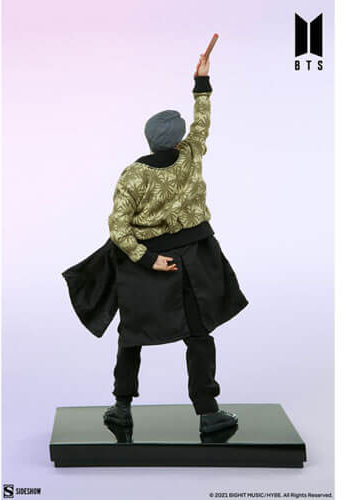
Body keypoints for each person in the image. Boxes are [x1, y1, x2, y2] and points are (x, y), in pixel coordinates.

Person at [101, 51, 250, 434]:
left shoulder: (133, 175)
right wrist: (202, 82)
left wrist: (147, 258)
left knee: (132, 336)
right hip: (193, 257)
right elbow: (202, 123)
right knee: (198, 335)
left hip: (148, 263)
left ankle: (121, 407)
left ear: (149, 140)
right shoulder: (191, 154)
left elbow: (119, 228)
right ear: (179, 139)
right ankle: (208, 413)